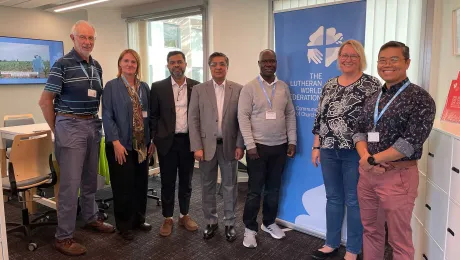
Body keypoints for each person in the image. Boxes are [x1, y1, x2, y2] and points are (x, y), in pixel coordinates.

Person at [353, 41, 436, 260]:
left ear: (407, 63)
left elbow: (410, 143)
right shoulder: (372, 98)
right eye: (382, 60)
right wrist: (366, 159)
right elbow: (359, 132)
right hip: (368, 175)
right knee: (371, 230)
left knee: (399, 240)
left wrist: (372, 160)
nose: (386, 65)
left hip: (397, 177)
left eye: (394, 59)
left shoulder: (420, 99)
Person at [38, 20, 114, 256]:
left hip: (93, 124)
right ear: (73, 38)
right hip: (70, 124)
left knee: (90, 179)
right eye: (83, 37)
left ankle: (91, 217)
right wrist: (59, 127)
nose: (88, 42)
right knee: (70, 186)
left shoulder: (96, 66)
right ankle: (63, 237)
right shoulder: (62, 64)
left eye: (91, 38)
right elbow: (45, 101)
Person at [310, 40, 381, 260]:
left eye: (353, 55)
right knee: (333, 197)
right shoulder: (330, 84)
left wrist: (372, 153)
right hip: (329, 149)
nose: (348, 59)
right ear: (338, 57)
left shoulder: (372, 84)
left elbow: (377, 121)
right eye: (344, 55)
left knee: (353, 200)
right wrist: (316, 146)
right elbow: (319, 118)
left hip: (356, 152)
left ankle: (353, 248)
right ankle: (331, 243)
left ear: (361, 58)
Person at [238, 49, 297, 248]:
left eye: (272, 61)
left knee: (273, 189)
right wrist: (250, 145)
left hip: (279, 147)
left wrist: (292, 141)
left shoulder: (283, 87)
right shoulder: (250, 88)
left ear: (276, 63)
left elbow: (289, 115)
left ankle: (269, 223)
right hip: (258, 148)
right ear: (259, 63)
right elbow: (243, 118)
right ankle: (249, 229)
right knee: (255, 191)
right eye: (265, 61)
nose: (269, 64)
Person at [188, 52, 244, 242]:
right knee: (207, 186)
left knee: (230, 187)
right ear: (209, 67)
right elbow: (193, 119)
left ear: (227, 67)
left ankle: (230, 223)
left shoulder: (238, 89)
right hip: (205, 147)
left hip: (229, 147)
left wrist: (240, 144)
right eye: (214, 64)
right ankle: (211, 222)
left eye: (222, 64)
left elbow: (242, 120)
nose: (218, 67)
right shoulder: (198, 89)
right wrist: (196, 146)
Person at [102, 49, 155, 240]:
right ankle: (124, 225)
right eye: (126, 61)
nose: (130, 64)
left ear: (137, 65)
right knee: (123, 186)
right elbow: (107, 116)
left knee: (140, 184)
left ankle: (139, 220)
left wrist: (152, 140)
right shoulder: (111, 86)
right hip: (121, 145)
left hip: (141, 145)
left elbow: (150, 116)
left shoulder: (144, 88)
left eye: (133, 62)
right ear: (120, 64)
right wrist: (115, 142)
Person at [150, 51, 200, 237]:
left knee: (186, 182)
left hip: (188, 141)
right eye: (172, 62)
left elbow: (199, 116)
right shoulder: (158, 87)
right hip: (166, 142)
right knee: (168, 181)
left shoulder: (196, 87)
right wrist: (155, 138)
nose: (176, 65)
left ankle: (184, 215)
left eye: (179, 62)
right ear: (167, 65)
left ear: (186, 64)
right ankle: (167, 218)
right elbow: (153, 116)